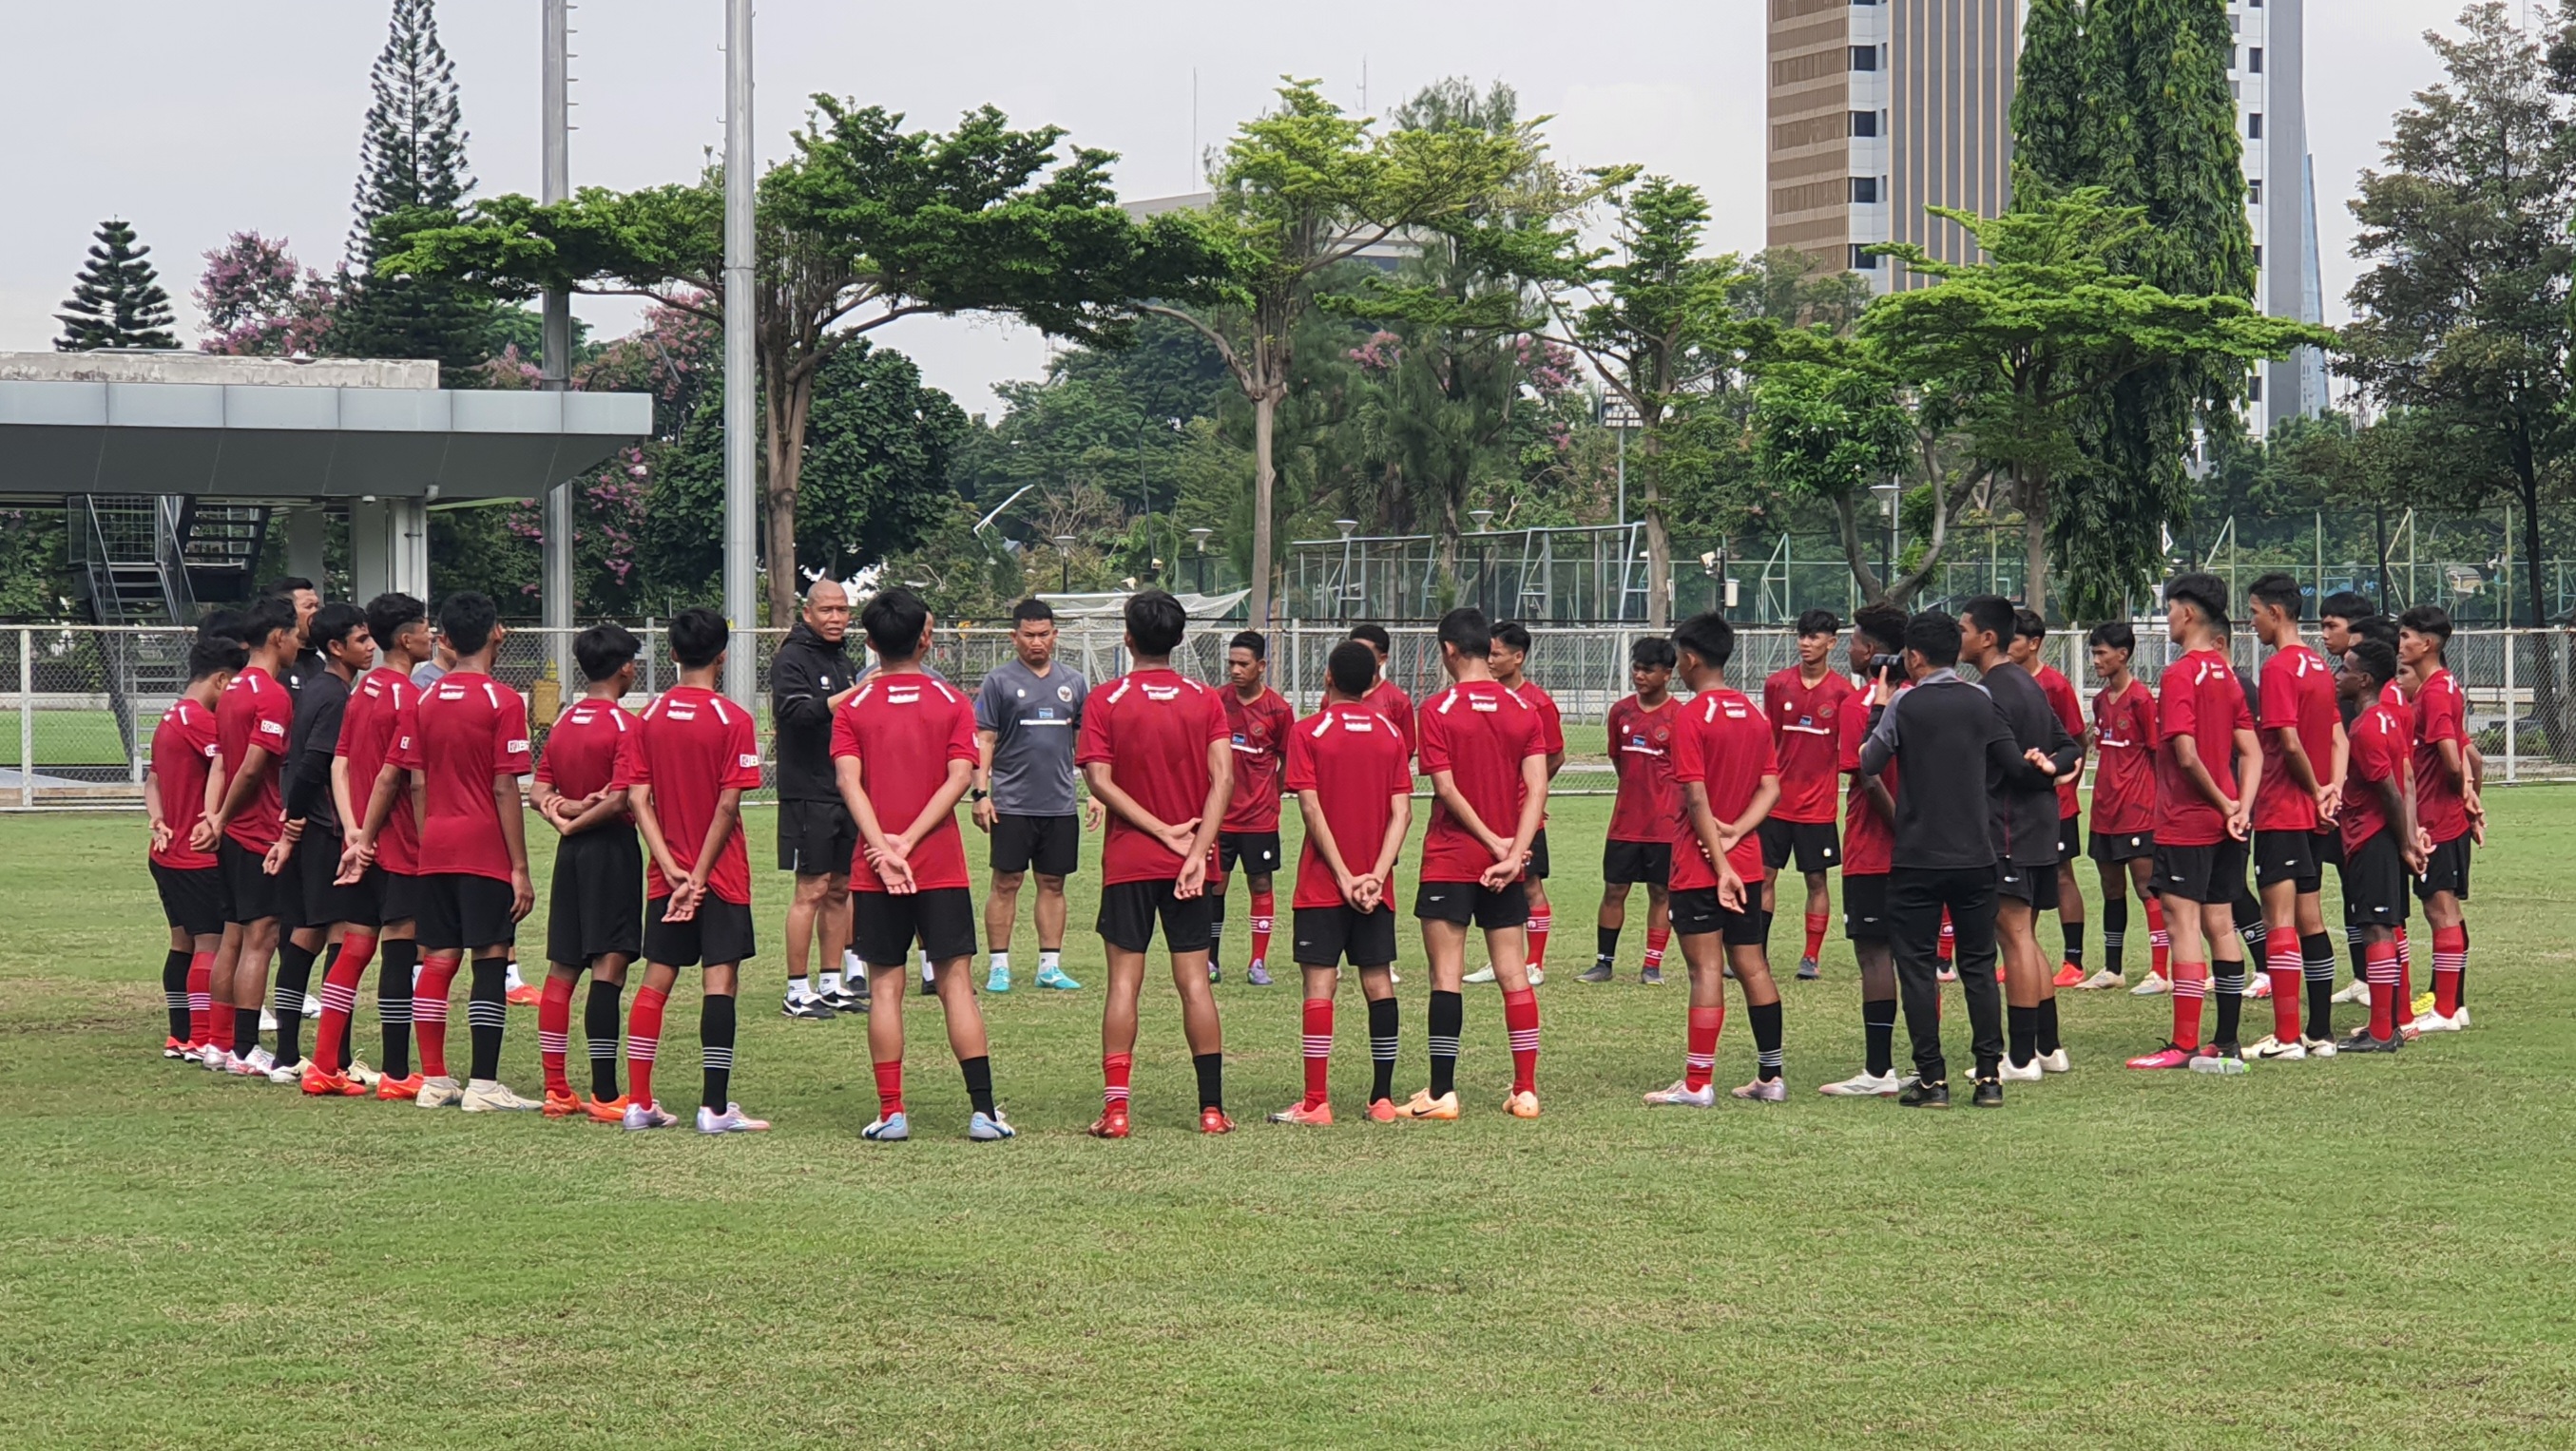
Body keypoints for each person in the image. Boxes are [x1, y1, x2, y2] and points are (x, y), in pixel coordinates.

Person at [1856, 610, 2061, 1108]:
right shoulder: (1981, 698)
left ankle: (1931, 1080)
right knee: (1978, 965)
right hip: (1977, 855)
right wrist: (2043, 764)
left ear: (1915, 656)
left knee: (1919, 967)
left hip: (1918, 855)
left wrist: (1879, 708)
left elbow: (1868, 762)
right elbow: (2011, 762)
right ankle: (1989, 1075)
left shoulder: (1905, 703)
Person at [833, 588, 1010, 1143]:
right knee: (957, 984)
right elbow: (961, 777)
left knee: (885, 987)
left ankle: (892, 1113)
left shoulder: (854, 706)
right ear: (925, 637)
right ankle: (982, 1113)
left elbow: (847, 782)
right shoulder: (953, 700)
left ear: (868, 643)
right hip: (938, 866)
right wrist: (908, 843)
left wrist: (883, 849)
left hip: (874, 867)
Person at [1076, 590, 1234, 1136]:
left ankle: (1116, 1111)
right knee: (1195, 983)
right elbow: (1224, 780)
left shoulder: (1106, 698)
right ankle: (1211, 1110)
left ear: (1127, 637)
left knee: (1125, 983)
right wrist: (1194, 850)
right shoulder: (1205, 698)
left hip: (1129, 861)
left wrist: (1159, 830)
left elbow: (1099, 780)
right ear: (1180, 637)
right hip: (1192, 864)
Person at [1389, 606, 1548, 1121]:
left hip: (1452, 858)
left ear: (1449, 650)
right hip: (1508, 860)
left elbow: (1445, 788)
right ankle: (1525, 1091)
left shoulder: (1436, 709)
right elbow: (1539, 787)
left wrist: (1490, 842)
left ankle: (1442, 1093)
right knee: (1513, 974)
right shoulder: (1524, 708)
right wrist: (1514, 850)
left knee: (1446, 976)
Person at [625, 607, 770, 1134]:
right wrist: (700, 877)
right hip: (721, 875)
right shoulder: (734, 720)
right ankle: (713, 1109)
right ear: (723, 655)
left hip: (667, 876)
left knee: (656, 981)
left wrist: (672, 871)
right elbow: (728, 807)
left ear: (672, 653)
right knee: (720, 982)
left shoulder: (648, 718)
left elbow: (639, 799)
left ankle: (639, 1102)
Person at [397, 592, 540, 1113]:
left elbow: (415, 783)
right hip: (483, 847)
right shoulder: (503, 702)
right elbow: (506, 788)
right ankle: (483, 1084)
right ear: (496, 633)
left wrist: (429, 832)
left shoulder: (424, 699)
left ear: (447, 640)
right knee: (490, 958)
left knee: (436, 959)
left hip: (435, 843)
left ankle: (434, 1078)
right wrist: (519, 867)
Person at [1269, 640, 1414, 1125]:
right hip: (1377, 887)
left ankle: (1316, 1103)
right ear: (1375, 681)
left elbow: (1311, 808)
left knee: (1319, 985)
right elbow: (1402, 812)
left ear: (1328, 676)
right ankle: (1383, 1100)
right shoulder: (1391, 734)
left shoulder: (1309, 732)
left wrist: (1345, 875)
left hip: (1322, 885)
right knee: (1378, 983)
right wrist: (1376, 873)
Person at [2125, 574, 2263, 1072]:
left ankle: (2184, 1044)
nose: (2167, 621)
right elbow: (2251, 751)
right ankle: (2225, 1041)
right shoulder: (2229, 674)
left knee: (2183, 924)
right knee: (2221, 923)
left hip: (2187, 822)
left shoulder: (2180, 674)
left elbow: (2184, 754)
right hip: (2228, 823)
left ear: (2185, 614)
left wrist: (2224, 805)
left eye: (2169, 611)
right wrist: (2240, 806)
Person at [1645, 613, 1778, 1105]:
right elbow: (1771, 785)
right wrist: (1741, 832)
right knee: (1753, 965)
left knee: (1704, 971)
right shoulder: (1754, 712)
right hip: (1747, 861)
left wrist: (1719, 864)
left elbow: (1697, 799)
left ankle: (1698, 1084)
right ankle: (1772, 1076)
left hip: (1703, 867)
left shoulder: (1690, 717)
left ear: (1690, 658)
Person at [527, 623, 647, 1121]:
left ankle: (556, 1089)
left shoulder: (566, 721)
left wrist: (561, 814)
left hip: (569, 857)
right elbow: (622, 798)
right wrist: (580, 820)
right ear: (624, 668)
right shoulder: (627, 726)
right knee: (609, 966)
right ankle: (604, 1093)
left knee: (562, 967)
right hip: (610, 851)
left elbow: (538, 789)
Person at [1957, 598, 2081, 1083]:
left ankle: (2023, 1057)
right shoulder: (2027, 684)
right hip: (2038, 827)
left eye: (1965, 629)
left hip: (2008, 827)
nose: (1959, 636)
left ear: (1987, 638)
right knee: (2025, 935)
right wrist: (2052, 766)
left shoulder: (1991, 692)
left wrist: (2041, 772)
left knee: (2015, 936)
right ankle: (2048, 1048)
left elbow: (2013, 764)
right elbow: (2069, 743)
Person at [193, 595, 300, 1077]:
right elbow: (253, 768)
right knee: (262, 936)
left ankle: (217, 1044)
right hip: (256, 830)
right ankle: (244, 1048)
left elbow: (221, 761)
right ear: (278, 637)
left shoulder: (231, 688)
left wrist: (214, 816)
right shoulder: (271, 694)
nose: (300, 642)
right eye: (296, 634)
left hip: (233, 831)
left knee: (232, 937)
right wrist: (221, 817)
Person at [2245, 574, 2348, 1060]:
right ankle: (2321, 1034)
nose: (2253, 621)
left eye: (2255, 612)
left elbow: (2287, 742)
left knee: (2279, 920)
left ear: (2277, 613)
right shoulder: (2321, 667)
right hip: (2310, 814)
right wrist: (2331, 792)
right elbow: (2335, 738)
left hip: (2281, 809)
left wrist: (2313, 788)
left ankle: (2288, 1037)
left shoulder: (2280, 667)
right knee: (2312, 919)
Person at [334, 593, 433, 1100]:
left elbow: (341, 762)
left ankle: (328, 1063)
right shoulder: (407, 697)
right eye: (424, 628)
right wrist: (370, 837)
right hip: (397, 846)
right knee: (399, 951)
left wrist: (351, 833)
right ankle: (396, 1071)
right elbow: (398, 779)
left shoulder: (361, 687)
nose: (431, 636)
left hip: (360, 843)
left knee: (353, 948)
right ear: (405, 638)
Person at [972, 598, 1093, 995]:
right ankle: (999, 967)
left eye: (1044, 635)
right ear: (1014, 636)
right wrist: (981, 793)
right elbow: (984, 739)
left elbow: (1085, 742)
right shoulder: (999, 681)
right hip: (1010, 802)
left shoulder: (1073, 682)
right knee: (1006, 882)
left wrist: (1095, 792)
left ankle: (1050, 966)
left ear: (1055, 635)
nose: (1037, 642)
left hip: (1059, 804)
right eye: (1029, 635)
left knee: (1053, 883)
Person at [279, 602, 375, 1091]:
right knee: (340, 937)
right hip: (326, 830)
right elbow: (315, 763)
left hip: (313, 828)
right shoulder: (336, 696)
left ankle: (288, 1052)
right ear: (336, 647)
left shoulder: (317, 688)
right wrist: (295, 817)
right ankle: (333, 1058)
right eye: (362, 640)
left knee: (305, 936)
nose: (371, 647)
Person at [1819, 604, 1911, 1097]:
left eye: (1853, 641)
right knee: (1917, 958)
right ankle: (1923, 1061)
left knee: (1875, 957)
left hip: (1875, 853)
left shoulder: (1858, 708)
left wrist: (1902, 828)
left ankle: (1879, 1071)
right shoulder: (1924, 699)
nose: (1848, 648)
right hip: (1927, 855)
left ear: (1871, 651)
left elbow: (1868, 780)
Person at [771, 579, 867, 1020]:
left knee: (841, 888)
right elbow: (793, 713)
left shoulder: (842, 657)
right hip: (807, 791)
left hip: (843, 789)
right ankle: (796, 989)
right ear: (807, 613)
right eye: (827, 610)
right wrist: (849, 697)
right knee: (809, 889)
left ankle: (832, 982)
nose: (836, 618)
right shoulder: (792, 658)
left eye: (843, 610)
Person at [147, 634, 243, 1060]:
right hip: (195, 853)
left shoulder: (169, 715)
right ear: (222, 680)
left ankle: (181, 1033)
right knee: (212, 943)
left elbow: (152, 780)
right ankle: (202, 1036)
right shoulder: (200, 720)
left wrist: (157, 819)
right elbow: (226, 766)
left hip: (167, 851)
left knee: (182, 943)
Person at [2333, 639, 2426, 1054]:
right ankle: (2386, 1026)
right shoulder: (2387, 717)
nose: (2339, 676)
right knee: (2381, 926)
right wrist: (2407, 836)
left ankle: (2383, 1031)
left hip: (2369, 838)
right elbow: (2404, 778)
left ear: (2364, 679)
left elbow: (2389, 789)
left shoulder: (2366, 726)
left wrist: (2405, 842)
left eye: (2345, 669)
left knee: (2375, 928)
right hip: (2380, 838)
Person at [2398, 604, 2480, 1035]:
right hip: (2443, 815)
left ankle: (2445, 1010)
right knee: (2445, 907)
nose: (2401, 644)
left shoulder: (2432, 691)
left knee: (2439, 908)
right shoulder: (2443, 684)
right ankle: (2455, 1005)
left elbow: (2454, 756)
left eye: (2407, 636)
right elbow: (2473, 757)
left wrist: (2457, 790)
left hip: (2434, 817)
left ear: (2427, 644)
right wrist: (2469, 798)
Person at [1760, 609, 1854, 980]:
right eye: (1802, 635)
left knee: (1816, 880)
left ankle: (1811, 957)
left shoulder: (1844, 692)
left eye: (1814, 637)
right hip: (1775, 805)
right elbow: (1768, 744)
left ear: (1832, 642)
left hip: (1818, 808)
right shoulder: (1777, 685)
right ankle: (1756, 952)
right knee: (1764, 876)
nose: (1805, 643)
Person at [1587, 638, 1682, 985]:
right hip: (1625, 824)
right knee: (1614, 889)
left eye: (1648, 669)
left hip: (1665, 826)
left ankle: (1651, 966)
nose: (1639, 675)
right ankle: (1603, 963)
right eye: (1636, 668)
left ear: (1668, 674)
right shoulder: (1621, 712)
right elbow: (1618, 761)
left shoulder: (1679, 717)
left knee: (1661, 892)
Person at [2081, 622, 2167, 993]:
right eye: (2094, 653)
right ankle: (2112, 969)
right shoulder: (2101, 701)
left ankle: (2160, 972)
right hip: (2104, 810)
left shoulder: (2141, 700)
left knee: (2147, 888)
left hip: (2137, 809)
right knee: (2109, 887)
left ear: (2123, 655)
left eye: (2102, 653)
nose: (2096, 660)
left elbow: (2158, 755)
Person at [2009, 610, 2092, 986]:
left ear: (2034, 643)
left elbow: (2077, 739)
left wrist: (2066, 782)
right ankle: (2020, 951)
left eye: (2015, 640)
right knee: (2021, 875)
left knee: (2061, 874)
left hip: (2055, 801)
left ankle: (2073, 960)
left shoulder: (2054, 685)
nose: (2009, 647)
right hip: (2018, 801)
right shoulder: (2003, 682)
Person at [1210, 629, 1293, 986]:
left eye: (1243, 664)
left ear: (1261, 665)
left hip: (1259, 819)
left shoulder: (1278, 710)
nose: (1235, 670)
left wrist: (1269, 796)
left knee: (1260, 883)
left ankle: (1258, 961)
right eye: (1231, 663)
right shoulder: (1215, 702)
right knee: (1215, 885)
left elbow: (1288, 761)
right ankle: (1210, 960)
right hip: (1220, 818)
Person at [1485, 621, 1564, 985]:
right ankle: (1500, 958)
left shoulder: (1539, 702)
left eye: (1496, 653)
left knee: (1529, 883)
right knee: (1495, 885)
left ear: (1518, 658)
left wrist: (1531, 792)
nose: (1489, 659)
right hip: (1490, 811)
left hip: (1523, 814)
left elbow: (1556, 755)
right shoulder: (1484, 697)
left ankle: (1534, 963)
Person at [2317, 591, 2379, 1004]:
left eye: (2331, 626)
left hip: (2366, 805)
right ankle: (2361, 975)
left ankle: (2381, 978)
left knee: (2375, 898)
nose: (2324, 634)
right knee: (2346, 886)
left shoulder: (2375, 681)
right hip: (2338, 801)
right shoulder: (2335, 678)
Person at [1349, 622, 1419, 761]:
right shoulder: (1334, 697)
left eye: (1364, 652)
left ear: (1382, 659)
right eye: (1352, 651)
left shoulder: (1397, 700)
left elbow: (1406, 749)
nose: (1356, 658)